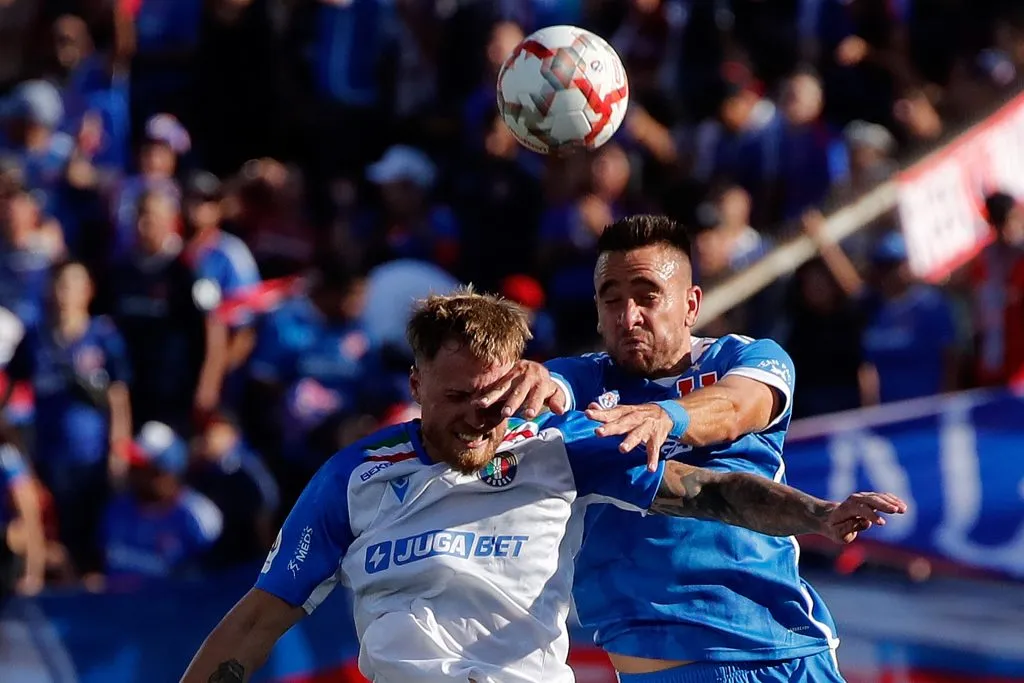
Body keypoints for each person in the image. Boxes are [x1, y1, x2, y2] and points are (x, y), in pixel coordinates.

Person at [180, 290, 905, 683]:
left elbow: (708, 491)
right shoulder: (353, 478)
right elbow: (255, 621)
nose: (476, 416)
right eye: (456, 396)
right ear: (415, 386)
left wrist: (817, 512)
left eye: (492, 399)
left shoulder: (558, 449)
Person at [474, 214, 884, 682]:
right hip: (672, 665)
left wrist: (668, 416)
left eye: (647, 297)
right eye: (612, 300)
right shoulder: (583, 381)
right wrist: (528, 386)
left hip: (791, 648)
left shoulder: (747, 356)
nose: (629, 317)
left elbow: (736, 407)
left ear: (690, 305)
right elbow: (552, 391)